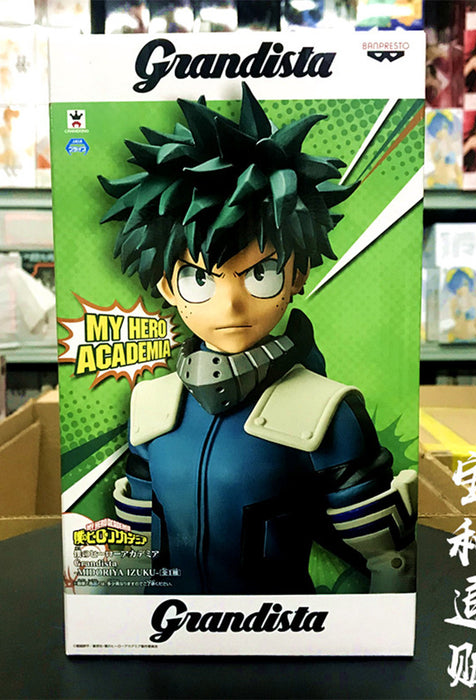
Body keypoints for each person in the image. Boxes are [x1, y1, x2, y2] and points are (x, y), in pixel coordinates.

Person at [99, 84, 416, 596]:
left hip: (285, 631)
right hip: (166, 629)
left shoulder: (326, 412)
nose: (230, 305)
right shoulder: (151, 406)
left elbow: (390, 559)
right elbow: (129, 547)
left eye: (260, 274)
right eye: (199, 279)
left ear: (297, 275)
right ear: (167, 287)